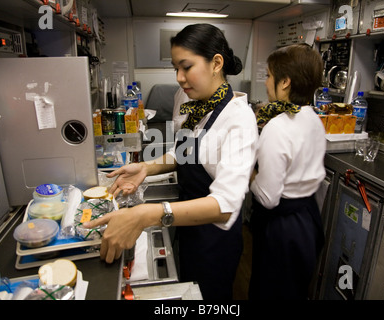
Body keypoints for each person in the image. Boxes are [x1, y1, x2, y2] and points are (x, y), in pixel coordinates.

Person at [84, 23, 258, 300]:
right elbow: (185, 152)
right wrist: (146, 167)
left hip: (215, 238)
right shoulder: (191, 100)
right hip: (187, 221)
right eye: (175, 68)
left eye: (186, 67)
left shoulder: (239, 119)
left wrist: (145, 214)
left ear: (216, 63)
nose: (179, 77)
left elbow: (225, 206)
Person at [248, 44, 326, 300]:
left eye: (269, 75)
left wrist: (249, 175)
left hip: (282, 229)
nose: (266, 81)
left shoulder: (278, 128)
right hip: (308, 219)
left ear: (285, 82)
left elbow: (268, 197)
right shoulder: (314, 119)